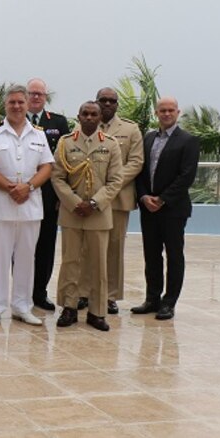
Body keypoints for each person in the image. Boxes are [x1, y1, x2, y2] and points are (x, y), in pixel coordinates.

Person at [0, 85, 54, 327]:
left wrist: (28, 187)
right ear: (5, 105)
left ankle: (22, 306)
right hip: (0, 206)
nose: (17, 106)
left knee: (26, 258)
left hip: (29, 207)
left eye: (21, 102)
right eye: (12, 102)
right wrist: (12, 188)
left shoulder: (38, 134)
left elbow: (47, 167)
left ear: (28, 104)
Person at [51, 101, 123, 332]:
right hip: (72, 213)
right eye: (86, 114)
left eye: (94, 114)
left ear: (101, 117)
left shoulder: (110, 145)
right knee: (71, 261)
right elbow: (57, 177)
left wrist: (94, 203)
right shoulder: (65, 143)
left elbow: (115, 180)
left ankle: (97, 311)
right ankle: (69, 307)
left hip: (98, 214)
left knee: (98, 265)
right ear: (79, 116)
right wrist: (74, 202)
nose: (90, 118)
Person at [132, 96, 199, 321]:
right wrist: (143, 196)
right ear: (156, 113)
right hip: (148, 208)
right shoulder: (149, 138)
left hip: (173, 209)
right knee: (151, 255)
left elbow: (186, 176)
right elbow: (140, 171)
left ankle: (169, 302)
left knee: (173, 256)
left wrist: (161, 199)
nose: (167, 114)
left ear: (178, 113)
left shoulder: (188, 140)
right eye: (162, 110)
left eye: (171, 110)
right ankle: (152, 299)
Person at [92, 87, 145, 314]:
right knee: (89, 248)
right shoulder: (85, 125)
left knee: (114, 248)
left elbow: (135, 162)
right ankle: (87, 292)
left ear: (117, 104)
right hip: (91, 198)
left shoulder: (130, 129)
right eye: (102, 100)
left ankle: (110, 295)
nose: (107, 104)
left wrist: (110, 185)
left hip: (117, 199)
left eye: (111, 101)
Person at [26, 78, 71, 311]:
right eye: (32, 93)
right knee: (21, 246)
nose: (35, 97)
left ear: (46, 97)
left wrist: (61, 197)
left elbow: (65, 161)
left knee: (45, 245)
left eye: (40, 94)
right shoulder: (13, 120)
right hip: (21, 193)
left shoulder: (59, 123)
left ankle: (40, 292)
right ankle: (21, 291)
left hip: (48, 196)